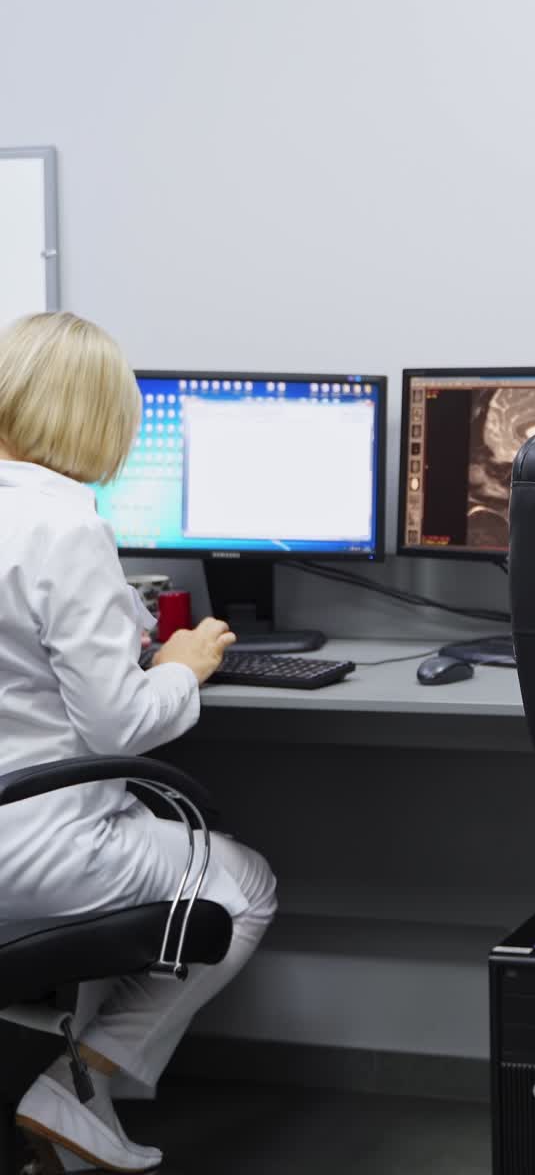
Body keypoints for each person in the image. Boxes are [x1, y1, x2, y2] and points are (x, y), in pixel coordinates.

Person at [0, 313, 277, 1173]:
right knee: (244, 887)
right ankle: (74, 1081)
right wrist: (186, 665)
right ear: (101, 423)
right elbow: (117, 726)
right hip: (32, 850)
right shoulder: (64, 527)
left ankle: (73, 1117)